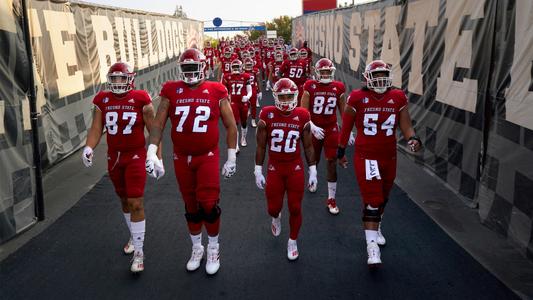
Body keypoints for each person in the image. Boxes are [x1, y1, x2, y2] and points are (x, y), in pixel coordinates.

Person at [146, 48, 238, 275]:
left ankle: (214, 248)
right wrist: (151, 151)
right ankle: (197, 248)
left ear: (204, 67)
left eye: (193, 67)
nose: (189, 72)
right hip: (180, 156)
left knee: (208, 203)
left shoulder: (216, 89)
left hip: (206, 155)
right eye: (185, 68)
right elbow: (158, 123)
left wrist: (231, 157)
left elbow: (231, 125)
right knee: (190, 205)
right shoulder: (171, 90)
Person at [337, 60, 422, 267]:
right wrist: (340, 151)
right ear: (368, 77)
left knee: (383, 197)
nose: (381, 78)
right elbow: (346, 128)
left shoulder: (397, 96)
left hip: (389, 156)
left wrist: (413, 138)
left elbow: (406, 125)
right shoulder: (357, 97)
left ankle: (377, 226)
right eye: (376, 75)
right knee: (373, 200)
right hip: (367, 156)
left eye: (384, 74)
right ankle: (371, 247)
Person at [82, 62, 162, 273]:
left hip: (135, 154)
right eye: (114, 78)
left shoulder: (141, 98)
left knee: (136, 201)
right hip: (114, 157)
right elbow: (97, 127)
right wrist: (89, 147)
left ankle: (139, 252)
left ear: (130, 79)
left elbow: (154, 130)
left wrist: (157, 157)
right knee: (124, 201)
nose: (118, 83)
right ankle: (134, 235)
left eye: (121, 78)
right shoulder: (102, 99)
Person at [254, 78, 317, 261]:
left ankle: (292, 240)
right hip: (275, 167)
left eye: (290, 96)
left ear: (296, 96)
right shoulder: (267, 114)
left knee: (295, 207)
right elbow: (260, 146)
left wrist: (312, 169)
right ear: (275, 97)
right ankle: (276, 217)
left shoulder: (303, 115)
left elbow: (308, 146)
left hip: (294, 167)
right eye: (282, 97)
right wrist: (258, 170)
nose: (286, 100)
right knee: (273, 208)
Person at [301, 58, 354, 214]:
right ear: (317, 72)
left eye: (327, 72)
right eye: (322, 71)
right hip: (314, 127)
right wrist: (312, 126)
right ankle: (313, 177)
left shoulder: (338, 87)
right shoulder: (310, 86)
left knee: (332, 161)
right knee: (314, 159)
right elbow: (303, 112)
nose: (325, 74)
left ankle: (331, 198)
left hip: (331, 128)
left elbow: (344, 112)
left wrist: (348, 130)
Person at [222, 59, 252, 149]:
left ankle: (243, 138)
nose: (235, 69)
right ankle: (236, 145)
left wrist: (247, 97)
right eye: (234, 67)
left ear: (241, 67)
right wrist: (226, 98)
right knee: (234, 124)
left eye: (237, 67)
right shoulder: (227, 77)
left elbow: (249, 91)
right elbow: (224, 90)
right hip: (233, 103)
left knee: (244, 122)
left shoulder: (246, 76)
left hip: (243, 103)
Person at [243, 57, 262, 128]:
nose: (248, 66)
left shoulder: (255, 71)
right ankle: (246, 114)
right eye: (247, 65)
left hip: (253, 89)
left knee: (253, 106)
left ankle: (253, 120)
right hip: (245, 90)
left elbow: (257, 80)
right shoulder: (242, 72)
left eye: (249, 65)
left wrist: (259, 91)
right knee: (245, 105)